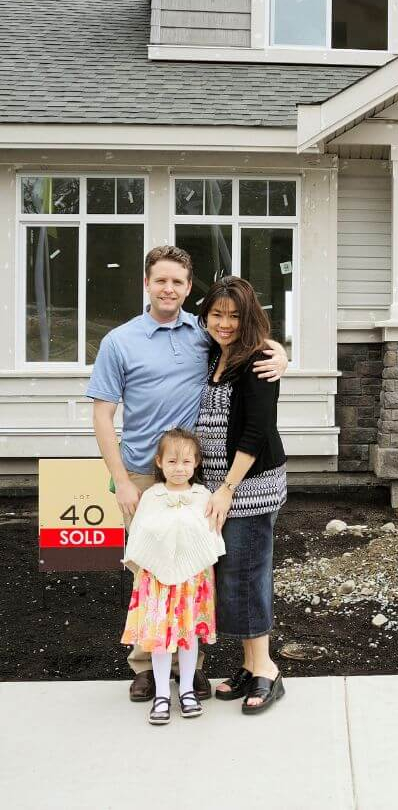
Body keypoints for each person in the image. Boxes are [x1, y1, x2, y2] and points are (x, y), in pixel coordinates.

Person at [87, 245, 287, 702]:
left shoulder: (200, 334)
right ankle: (146, 666)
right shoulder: (120, 341)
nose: (169, 288)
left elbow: (247, 339)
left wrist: (281, 355)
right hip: (141, 473)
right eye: (161, 280)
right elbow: (102, 416)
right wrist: (119, 480)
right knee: (149, 573)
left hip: (199, 477)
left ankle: (192, 663)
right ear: (146, 283)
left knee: (199, 567)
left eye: (178, 281)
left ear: (187, 287)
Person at [196, 276, 287, 715]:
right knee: (230, 576)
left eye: (234, 315)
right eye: (217, 314)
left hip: (248, 487)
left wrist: (228, 489)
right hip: (217, 487)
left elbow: (256, 431)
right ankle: (251, 664)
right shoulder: (216, 354)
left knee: (246, 574)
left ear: (248, 316)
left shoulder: (259, 359)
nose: (225, 323)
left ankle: (266, 669)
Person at [121, 428, 225, 725]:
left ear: (196, 463)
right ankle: (163, 693)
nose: (179, 469)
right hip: (158, 583)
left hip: (192, 583)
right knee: (160, 638)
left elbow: (209, 536)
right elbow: (141, 534)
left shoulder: (202, 495)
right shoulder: (152, 496)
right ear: (159, 462)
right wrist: (150, 565)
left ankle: (188, 690)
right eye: (172, 462)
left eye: (186, 462)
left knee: (188, 636)